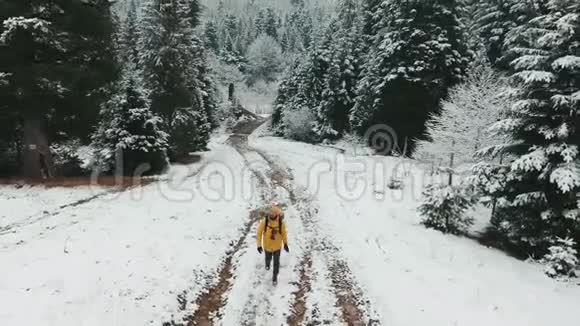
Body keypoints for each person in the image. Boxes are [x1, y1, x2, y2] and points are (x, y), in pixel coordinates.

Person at [256, 205, 289, 285]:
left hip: (277, 246)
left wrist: (285, 244)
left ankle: (274, 277)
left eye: (273, 213)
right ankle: (267, 264)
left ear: (276, 214)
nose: (271, 214)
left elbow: (284, 234)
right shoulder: (265, 221)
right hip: (267, 246)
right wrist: (259, 245)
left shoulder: (281, 222)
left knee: (276, 263)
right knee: (268, 258)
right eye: (270, 213)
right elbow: (259, 233)